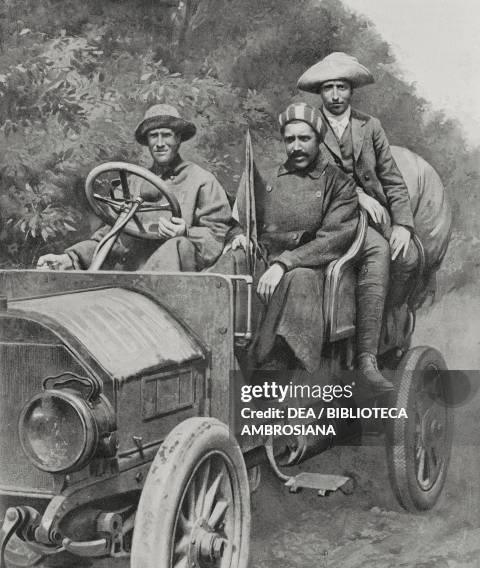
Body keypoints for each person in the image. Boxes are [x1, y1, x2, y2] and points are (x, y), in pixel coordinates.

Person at [234, 102, 359, 375]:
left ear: (319, 139)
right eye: (290, 139)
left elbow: (334, 239)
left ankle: (280, 367)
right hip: (266, 260)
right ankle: (221, 356)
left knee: (297, 279)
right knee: (233, 264)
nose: (296, 147)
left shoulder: (339, 183)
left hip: (312, 268)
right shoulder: (267, 176)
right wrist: (239, 237)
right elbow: (240, 220)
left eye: (305, 138)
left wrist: (285, 263)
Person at [37, 104, 232, 272]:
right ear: (147, 141)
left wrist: (185, 232)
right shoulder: (132, 183)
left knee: (177, 245)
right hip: (130, 274)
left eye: (166, 135)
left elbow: (216, 235)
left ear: (179, 138)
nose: (160, 143)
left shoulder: (202, 180)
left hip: (178, 279)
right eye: (154, 136)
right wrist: (71, 258)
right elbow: (112, 235)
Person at [297, 52, 418, 308]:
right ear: (320, 92)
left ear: (352, 90)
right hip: (326, 216)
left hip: (374, 217)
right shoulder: (308, 127)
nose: (336, 95)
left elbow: (391, 178)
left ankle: (386, 313)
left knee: (408, 257)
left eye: (342, 87)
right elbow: (312, 176)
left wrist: (403, 225)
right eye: (328, 88)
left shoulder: (370, 125)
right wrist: (358, 196)